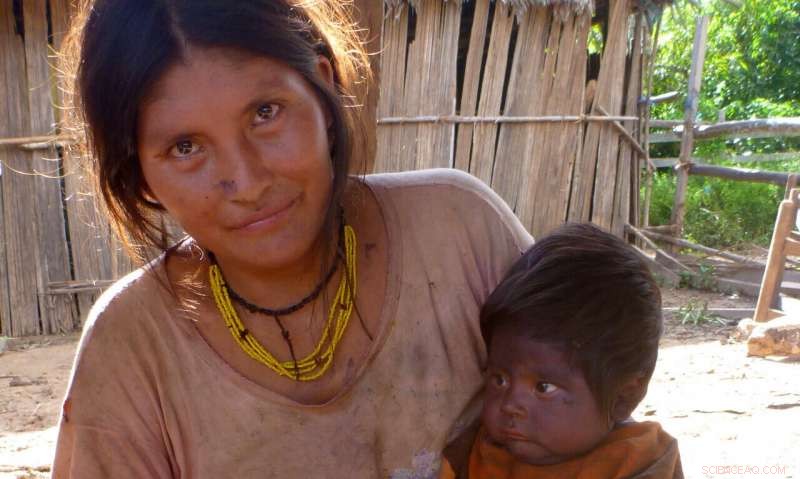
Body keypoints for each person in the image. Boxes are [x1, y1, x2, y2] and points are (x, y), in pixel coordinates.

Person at [52, 1, 532, 477]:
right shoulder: (131, 350)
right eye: (186, 147)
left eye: (265, 113)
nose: (247, 182)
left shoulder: (460, 235)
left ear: (323, 88)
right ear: (139, 175)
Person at [439, 224, 683, 479]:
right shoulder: (475, 452)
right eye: (500, 379)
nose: (510, 404)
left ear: (623, 396)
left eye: (543, 387)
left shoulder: (641, 461)